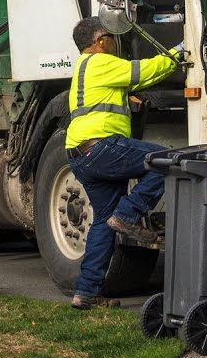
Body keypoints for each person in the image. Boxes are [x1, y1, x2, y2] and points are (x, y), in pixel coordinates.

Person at [65, 16, 184, 310]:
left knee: (103, 224)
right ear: (100, 41)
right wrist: (181, 51)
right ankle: (128, 214)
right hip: (101, 147)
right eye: (110, 38)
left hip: (81, 153)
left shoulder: (83, 66)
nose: (113, 43)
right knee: (165, 159)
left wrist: (126, 99)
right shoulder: (101, 62)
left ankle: (86, 293)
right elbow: (144, 71)